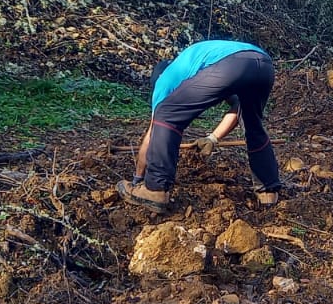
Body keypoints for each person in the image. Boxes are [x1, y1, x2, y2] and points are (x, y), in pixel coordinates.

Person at [117, 40, 281, 213]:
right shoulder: (193, 64)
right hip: (263, 64)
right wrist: (213, 138)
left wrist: (137, 178)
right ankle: (268, 191)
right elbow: (237, 106)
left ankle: (155, 189)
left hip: (231, 64)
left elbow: (153, 133)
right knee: (252, 124)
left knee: (165, 114)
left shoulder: (165, 81)